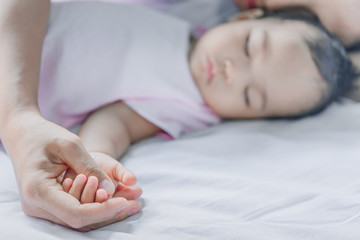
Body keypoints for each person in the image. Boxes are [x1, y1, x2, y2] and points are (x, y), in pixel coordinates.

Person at [0, 0, 358, 231]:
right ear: (247, 15)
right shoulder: (186, 24)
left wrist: (94, 160)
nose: (233, 71)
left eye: (249, 96)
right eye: (249, 46)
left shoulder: (190, 106)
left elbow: (118, 121)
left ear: (245, 118)